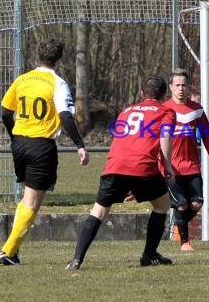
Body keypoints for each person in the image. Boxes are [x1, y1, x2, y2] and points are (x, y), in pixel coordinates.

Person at [66, 75, 176, 270]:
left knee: (98, 211)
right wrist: (167, 166)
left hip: (115, 165)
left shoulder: (126, 111)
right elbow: (165, 137)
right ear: (163, 94)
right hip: (143, 166)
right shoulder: (165, 111)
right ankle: (149, 255)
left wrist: (127, 183)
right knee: (162, 205)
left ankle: (76, 260)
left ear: (142, 93)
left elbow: (123, 140)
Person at [0, 38, 89, 265]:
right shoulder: (57, 83)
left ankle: (13, 250)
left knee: (26, 197)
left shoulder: (22, 79)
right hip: (41, 146)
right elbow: (65, 116)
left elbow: (5, 111)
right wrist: (79, 144)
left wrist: (14, 137)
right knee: (32, 203)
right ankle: (7, 252)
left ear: (38, 55)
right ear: (59, 59)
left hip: (20, 143)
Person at [163, 69, 209, 252]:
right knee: (181, 204)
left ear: (189, 87)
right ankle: (185, 243)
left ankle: (178, 225)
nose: (180, 88)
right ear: (171, 87)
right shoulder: (164, 110)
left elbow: (207, 135)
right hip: (172, 168)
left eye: (184, 85)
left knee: (196, 204)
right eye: (177, 85)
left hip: (192, 166)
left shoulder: (197, 110)